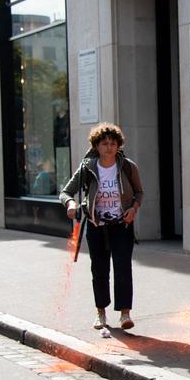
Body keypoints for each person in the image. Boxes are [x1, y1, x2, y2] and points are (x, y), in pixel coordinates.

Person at [59, 123, 144, 331]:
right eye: (104, 143)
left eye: (113, 143)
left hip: (121, 225)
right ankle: (101, 313)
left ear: (118, 145)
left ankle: (125, 314)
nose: (109, 147)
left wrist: (133, 209)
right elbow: (65, 192)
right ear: (96, 145)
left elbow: (139, 193)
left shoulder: (127, 166)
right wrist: (70, 204)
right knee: (99, 270)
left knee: (123, 268)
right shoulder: (88, 168)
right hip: (97, 226)